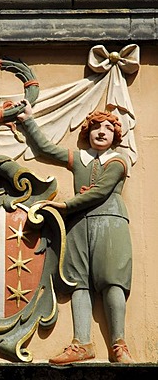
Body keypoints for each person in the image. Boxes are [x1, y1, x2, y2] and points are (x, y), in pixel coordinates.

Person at [17, 101, 134, 364]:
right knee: (77, 280)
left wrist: (66, 205)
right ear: (87, 133)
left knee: (112, 279)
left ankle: (119, 344)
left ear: (116, 136)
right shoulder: (79, 158)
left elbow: (102, 190)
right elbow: (46, 149)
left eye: (108, 128)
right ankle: (82, 342)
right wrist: (28, 120)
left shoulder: (118, 160)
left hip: (110, 219)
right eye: (96, 127)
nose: (102, 132)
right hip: (78, 224)